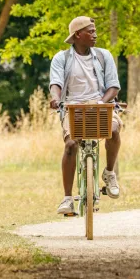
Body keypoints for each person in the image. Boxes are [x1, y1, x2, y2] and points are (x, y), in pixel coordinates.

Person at [49, 16, 122, 216]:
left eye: (95, 30)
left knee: (114, 130)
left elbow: (113, 86)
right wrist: (55, 98)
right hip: (73, 108)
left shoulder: (103, 56)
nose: (95, 35)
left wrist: (101, 102)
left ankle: (109, 173)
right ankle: (67, 198)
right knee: (71, 144)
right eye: (90, 31)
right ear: (77, 35)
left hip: (100, 106)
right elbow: (56, 83)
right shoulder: (61, 59)